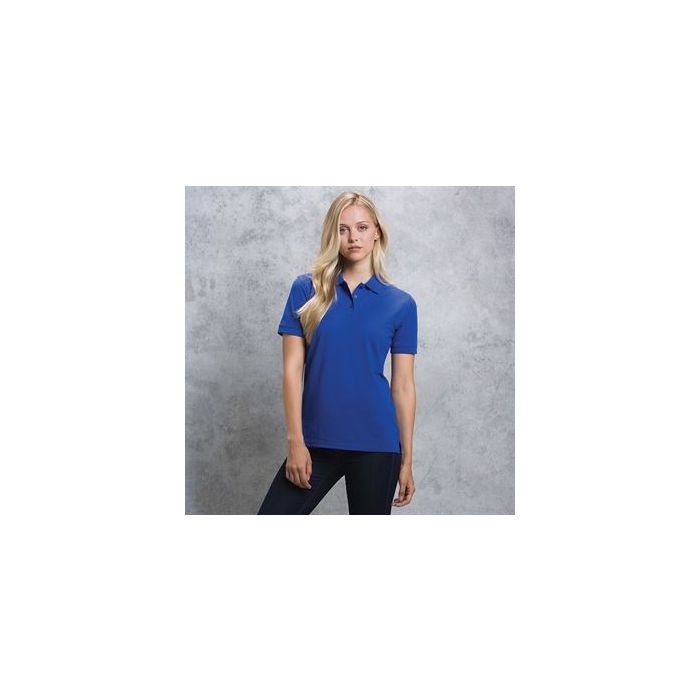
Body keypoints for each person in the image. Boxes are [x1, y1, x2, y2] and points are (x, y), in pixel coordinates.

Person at [257, 191, 418, 515]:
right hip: (315, 440)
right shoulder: (306, 290)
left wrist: (407, 460)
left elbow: (402, 386)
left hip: (377, 443)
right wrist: (295, 440)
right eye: (343, 229)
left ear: (377, 232)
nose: (353, 237)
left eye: (362, 227)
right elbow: (292, 371)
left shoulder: (401, 304)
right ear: (333, 235)